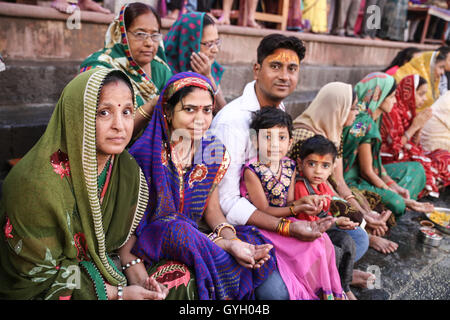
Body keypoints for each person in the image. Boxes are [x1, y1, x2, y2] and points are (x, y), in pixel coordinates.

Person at [0, 68, 194, 300]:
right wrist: (118, 294)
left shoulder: (126, 170)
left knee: (180, 281)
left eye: (127, 112)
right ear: (76, 115)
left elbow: (123, 239)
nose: (119, 125)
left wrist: (140, 279)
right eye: (103, 112)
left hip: (107, 268)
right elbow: (37, 276)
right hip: (51, 287)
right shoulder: (34, 186)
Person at [211, 34, 347, 299]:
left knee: (354, 238)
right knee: (277, 294)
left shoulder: (278, 108)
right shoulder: (232, 123)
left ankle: (333, 280)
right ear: (257, 69)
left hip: (281, 214)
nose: (284, 76)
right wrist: (286, 225)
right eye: (275, 66)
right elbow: (226, 200)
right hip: (242, 227)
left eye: (292, 68)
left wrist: (303, 204)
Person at [128, 71, 276, 300]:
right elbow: (136, 226)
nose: (201, 119)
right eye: (189, 109)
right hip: (154, 241)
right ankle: (220, 252)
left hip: (196, 238)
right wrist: (224, 245)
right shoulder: (145, 154)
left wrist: (234, 241)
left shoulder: (212, 151)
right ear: (167, 111)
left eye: (207, 110)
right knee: (178, 229)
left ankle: (224, 251)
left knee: (255, 240)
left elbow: (213, 211)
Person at [240, 108, 346, 300]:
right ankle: (307, 291)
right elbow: (263, 209)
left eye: (281, 138)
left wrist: (305, 203)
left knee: (323, 242)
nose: (274, 144)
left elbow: (290, 201)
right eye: (267, 137)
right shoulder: (252, 171)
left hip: (285, 217)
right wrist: (296, 208)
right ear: (255, 141)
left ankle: (330, 291)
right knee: (309, 246)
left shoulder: (289, 165)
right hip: (263, 225)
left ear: (290, 142)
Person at [289, 82, 397, 255]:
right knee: (359, 234)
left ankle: (363, 232)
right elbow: (306, 191)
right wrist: (359, 217)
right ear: (337, 108)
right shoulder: (305, 135)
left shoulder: (334, 131)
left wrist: (363, 213)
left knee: (379, 214)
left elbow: (338, 181)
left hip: (324, 192)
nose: (356, 114)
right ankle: (360, 242)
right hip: (307, 203)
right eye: (352, 108)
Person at [342, 72, 435, 219]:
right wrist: (390, 190)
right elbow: (367, 171)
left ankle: (390, 208)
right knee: (397, 201)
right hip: (350, 181)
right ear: (378, 96)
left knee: (417, 169)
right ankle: (391, 210)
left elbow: (376, 163)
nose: (395, 102)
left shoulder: (373, 118)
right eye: (391, 97)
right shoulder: (363, 122)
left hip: (367, 174)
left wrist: (393, 185)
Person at [293, 134, 371, 300]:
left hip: (321, 230)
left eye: (325, 166)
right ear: (301, 164)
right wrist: (336, 222)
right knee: (338, 247)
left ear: (332, 167)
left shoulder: (322, 184)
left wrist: (346, 219)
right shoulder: (301, 187)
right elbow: (311, 226)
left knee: (351, 241)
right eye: (312, 164)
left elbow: (333, 204)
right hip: (307, 237)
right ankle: (331, 286)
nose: (318, 171)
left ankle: (344, 284)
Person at [80, 2, 173, 137]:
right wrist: (151, 106)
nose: (149, 43)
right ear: (121, 33)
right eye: (140, 34)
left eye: (154, 35)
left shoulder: (160, 69)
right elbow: (99, 129)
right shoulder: (100, 68)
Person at [380, 74, 450, 198]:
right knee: (420, 167)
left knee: (445, 156)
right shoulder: (391, 112)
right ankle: (422, 188)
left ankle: (426, 186)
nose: (424, 99)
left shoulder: (408, 110)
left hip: (407, 152)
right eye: (421, 94)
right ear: (408, 93)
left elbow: (415, 144)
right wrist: (413, 127)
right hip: (390, 158)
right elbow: (394, 149)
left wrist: (419, 127)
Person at [164, 12, 227, 111]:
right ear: (189, 43)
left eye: (217, 42)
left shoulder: (209, 68)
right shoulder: (165, 70)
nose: (215, 50)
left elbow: (223, 113)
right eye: (209, 44)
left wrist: (208, 77)